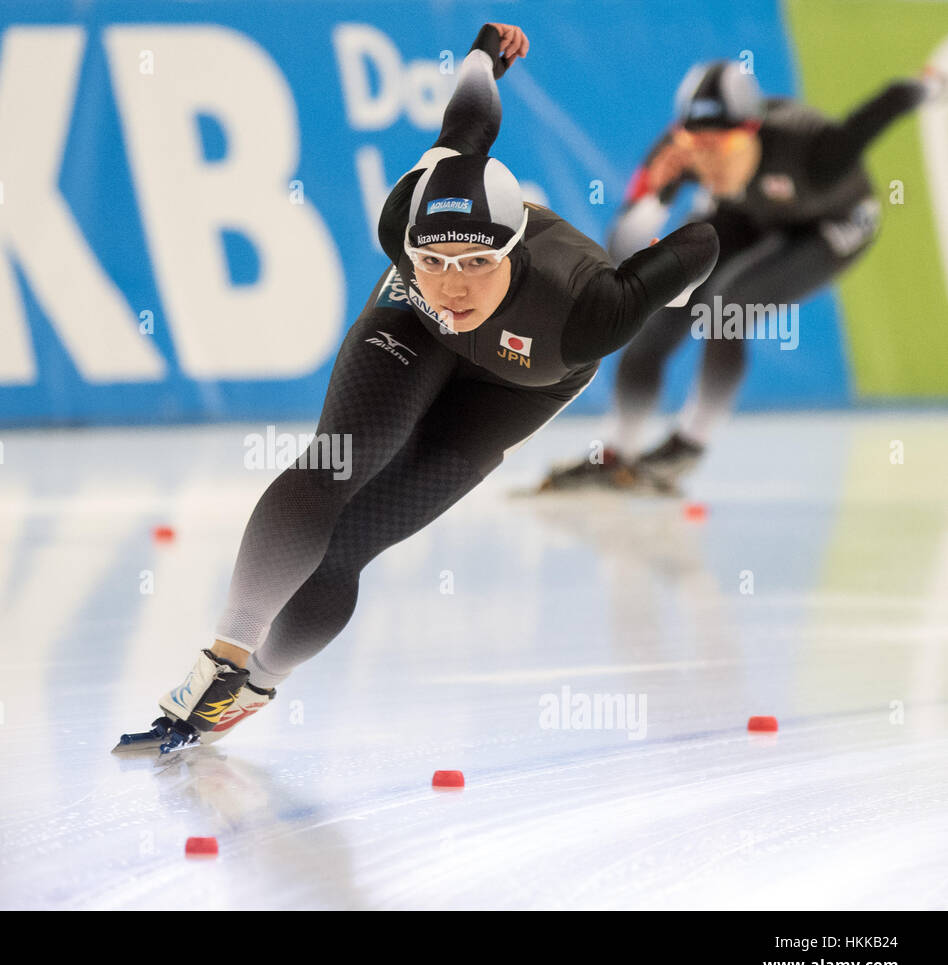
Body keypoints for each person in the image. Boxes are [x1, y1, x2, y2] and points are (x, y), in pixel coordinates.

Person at [115, 23, 720, 754]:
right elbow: (468, 119)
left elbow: (703, 244)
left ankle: (255, 687)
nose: (454, 283)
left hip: (515, 386)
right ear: (411, 245)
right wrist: (484, 55)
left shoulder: (589, 310)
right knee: (338, 460)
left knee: (347, 548)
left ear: (514, 248)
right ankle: (225, 660)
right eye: (434, 260)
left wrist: (669, 279)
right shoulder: (401, 222)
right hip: (412, 328)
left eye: (475, 264)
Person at [542, 58, 946, 492]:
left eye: (724, 147)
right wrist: (656, 199)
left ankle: (688, 444)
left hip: (830, 222)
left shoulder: (813, 149)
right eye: (700, 147)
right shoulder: (678, 153)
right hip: (745, 209)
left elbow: (888, 104)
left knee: (730, 306)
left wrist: (932, 85)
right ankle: (616, 452)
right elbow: (622, 249)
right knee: (654, 309)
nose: (709, 161)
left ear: (752, 131)